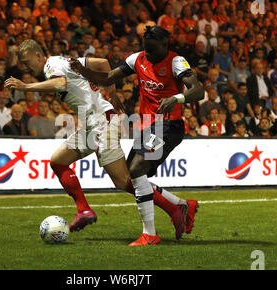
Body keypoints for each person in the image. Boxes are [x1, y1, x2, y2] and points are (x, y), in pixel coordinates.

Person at [5, 38, 189, 246]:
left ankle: (176, 207)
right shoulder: (63, 61)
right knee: (58, 161)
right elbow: (102, 63)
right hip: (93, 123)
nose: (27, 67)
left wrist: (25, 86)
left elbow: (61, 83)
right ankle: (84, 210)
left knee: (123, 180)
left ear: (38, 55)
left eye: (28, 62)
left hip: (102, 122)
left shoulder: (51, 66)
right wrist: (112, 94)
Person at [70, 26, 203, 245]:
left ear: (164, 45)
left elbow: (198, 91)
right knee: (130, 176)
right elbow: (108, 77)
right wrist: (83, 71)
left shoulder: (176, 62)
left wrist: (176, 99)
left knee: (136, 169)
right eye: (145, 49)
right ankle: (180, 206)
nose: (148, 54)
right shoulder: (137, 59)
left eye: (152, 50)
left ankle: (150, 234)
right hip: (148, 127)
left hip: (168, 125)